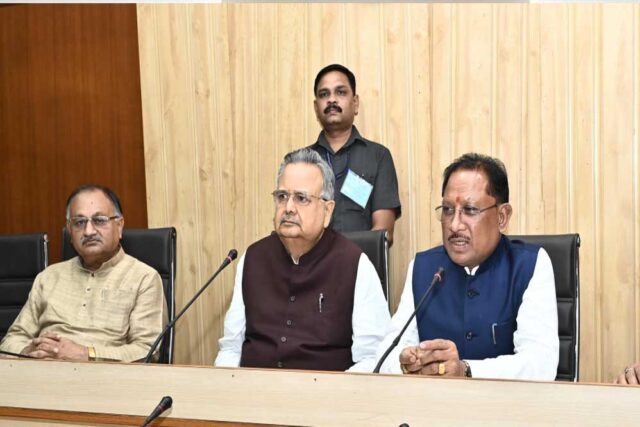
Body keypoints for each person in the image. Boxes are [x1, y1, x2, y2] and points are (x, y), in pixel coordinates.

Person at [378, 153, 559, 380]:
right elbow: (385, 356)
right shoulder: (423, 268)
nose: (454, 225)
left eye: (470, 210)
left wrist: (466, 370)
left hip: (505, 402)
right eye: (447, 210)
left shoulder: (529, 266)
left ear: (502, 216)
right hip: (435, 401)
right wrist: (406, 364)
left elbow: (540, 364)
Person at [215, 148, 390, 372]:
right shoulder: (253, 258)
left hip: (324, 392)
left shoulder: (355, 265)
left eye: (301, 198)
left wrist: (332, 391)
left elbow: (373, 358)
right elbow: (231, 349)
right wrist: (228, 386)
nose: (288, 208)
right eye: (282, 197)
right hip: (255, 390)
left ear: (327, 211)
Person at [0, 185, 166, 362]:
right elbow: (11, 341)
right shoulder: (48, 277)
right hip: (39, 372)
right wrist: (27, 351)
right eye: (79, 222)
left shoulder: (144, 278)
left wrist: (86, 354)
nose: (88, 231)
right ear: (70, 230)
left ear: (119, 226)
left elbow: (146, 351)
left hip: (102, 376)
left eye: (99, 220)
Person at [309, 64, 401, 245]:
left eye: (340, 92)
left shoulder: (378, 157)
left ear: (355, 103)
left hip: (361, 260)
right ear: (316, 107)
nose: (331, 99)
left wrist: (351, 258)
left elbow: (383, 233)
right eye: (324, 94)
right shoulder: (300, 162)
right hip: (312, 262)